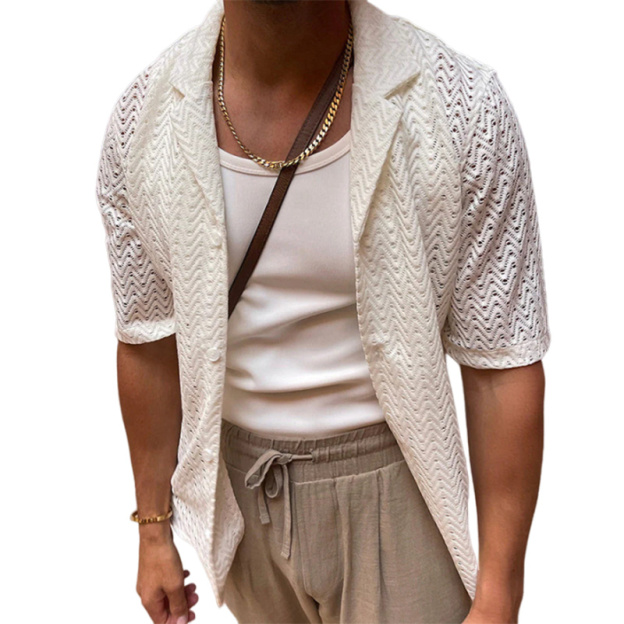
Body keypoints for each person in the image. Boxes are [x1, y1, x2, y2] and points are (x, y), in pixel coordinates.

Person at [95, 0, 551, 622]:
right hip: (243, 498)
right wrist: (153, 531)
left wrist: (499, 594)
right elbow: (148, 341)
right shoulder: (143, 123)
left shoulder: (461, 106)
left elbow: (500, 361)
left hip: (399, 493)